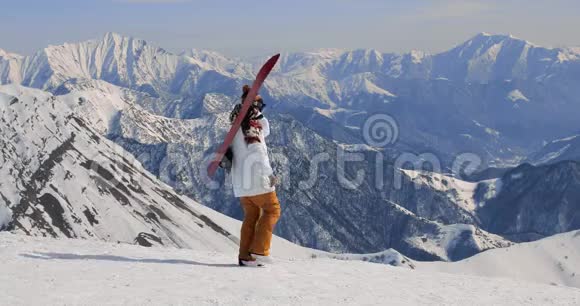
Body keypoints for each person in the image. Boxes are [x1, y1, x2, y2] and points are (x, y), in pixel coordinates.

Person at [229, 86, 280, 267]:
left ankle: (245, 256)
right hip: (257, 179)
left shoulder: (236, 125)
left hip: (241, 183)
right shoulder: (251, 126)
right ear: (255, 105)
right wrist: (269, 175)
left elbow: (265, 131)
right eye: (259, 106)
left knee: (252, 215)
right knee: (272, 210)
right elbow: (257, 152)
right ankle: (259, 251)